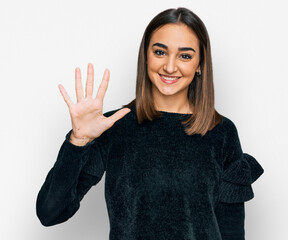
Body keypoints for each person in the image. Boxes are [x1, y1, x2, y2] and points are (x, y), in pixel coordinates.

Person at [36, 7, 264, 240]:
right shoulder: (114, 127)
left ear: (200, 64)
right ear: (145, 56)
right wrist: (78, 141)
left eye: (185, 55)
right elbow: (50, 213)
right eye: (160, 52)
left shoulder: (222, 132)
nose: (170, 66)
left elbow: (232, 232)